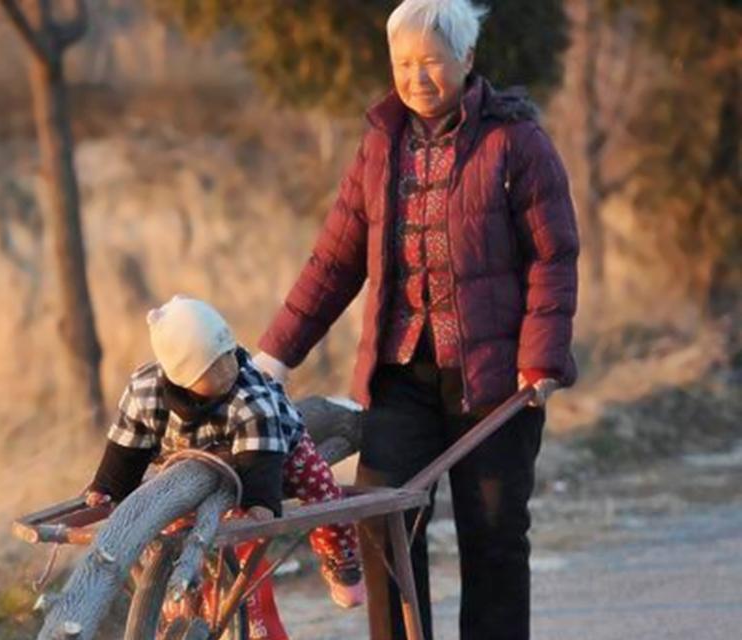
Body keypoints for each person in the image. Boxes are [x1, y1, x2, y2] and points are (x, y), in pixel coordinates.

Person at [253, 0, 580, 638]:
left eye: (431, 61)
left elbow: (554, 256)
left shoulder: (515, 142)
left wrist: (541, 358)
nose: (416, 76)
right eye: (403, 62)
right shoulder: (381, 142)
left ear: (467, 60)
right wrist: (273, 358)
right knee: (383, 524)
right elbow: (333, 261)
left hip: (495, 382)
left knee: (494, 538)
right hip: (400, 376)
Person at [85, 295, 366, 608]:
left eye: (229, 357)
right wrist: (109, 486)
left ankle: (340, 555)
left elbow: (263, 455)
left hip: (279, 447)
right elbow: (128, 445)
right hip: (188, 459)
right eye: (213, 369)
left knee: (320, 484)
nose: (228, 371)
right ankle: (179, 587)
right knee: (171, 513)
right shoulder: (145, 391)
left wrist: (260, 502)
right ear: (183, 376)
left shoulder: (250, 395)